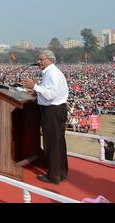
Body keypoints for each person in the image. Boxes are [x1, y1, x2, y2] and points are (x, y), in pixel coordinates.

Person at [22, 50, 69, 185]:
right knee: (59, 142)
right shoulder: (52, 72)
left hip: (52, 111)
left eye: (41, 59)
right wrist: (37, 90)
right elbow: (49, 92)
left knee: (52, 144)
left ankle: (53, 176)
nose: (39, 62)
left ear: (50, 60)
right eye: (39, 59)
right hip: (58, 109)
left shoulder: (52, 73)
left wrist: (34, 86)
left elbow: (50, 94)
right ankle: (61, 171)